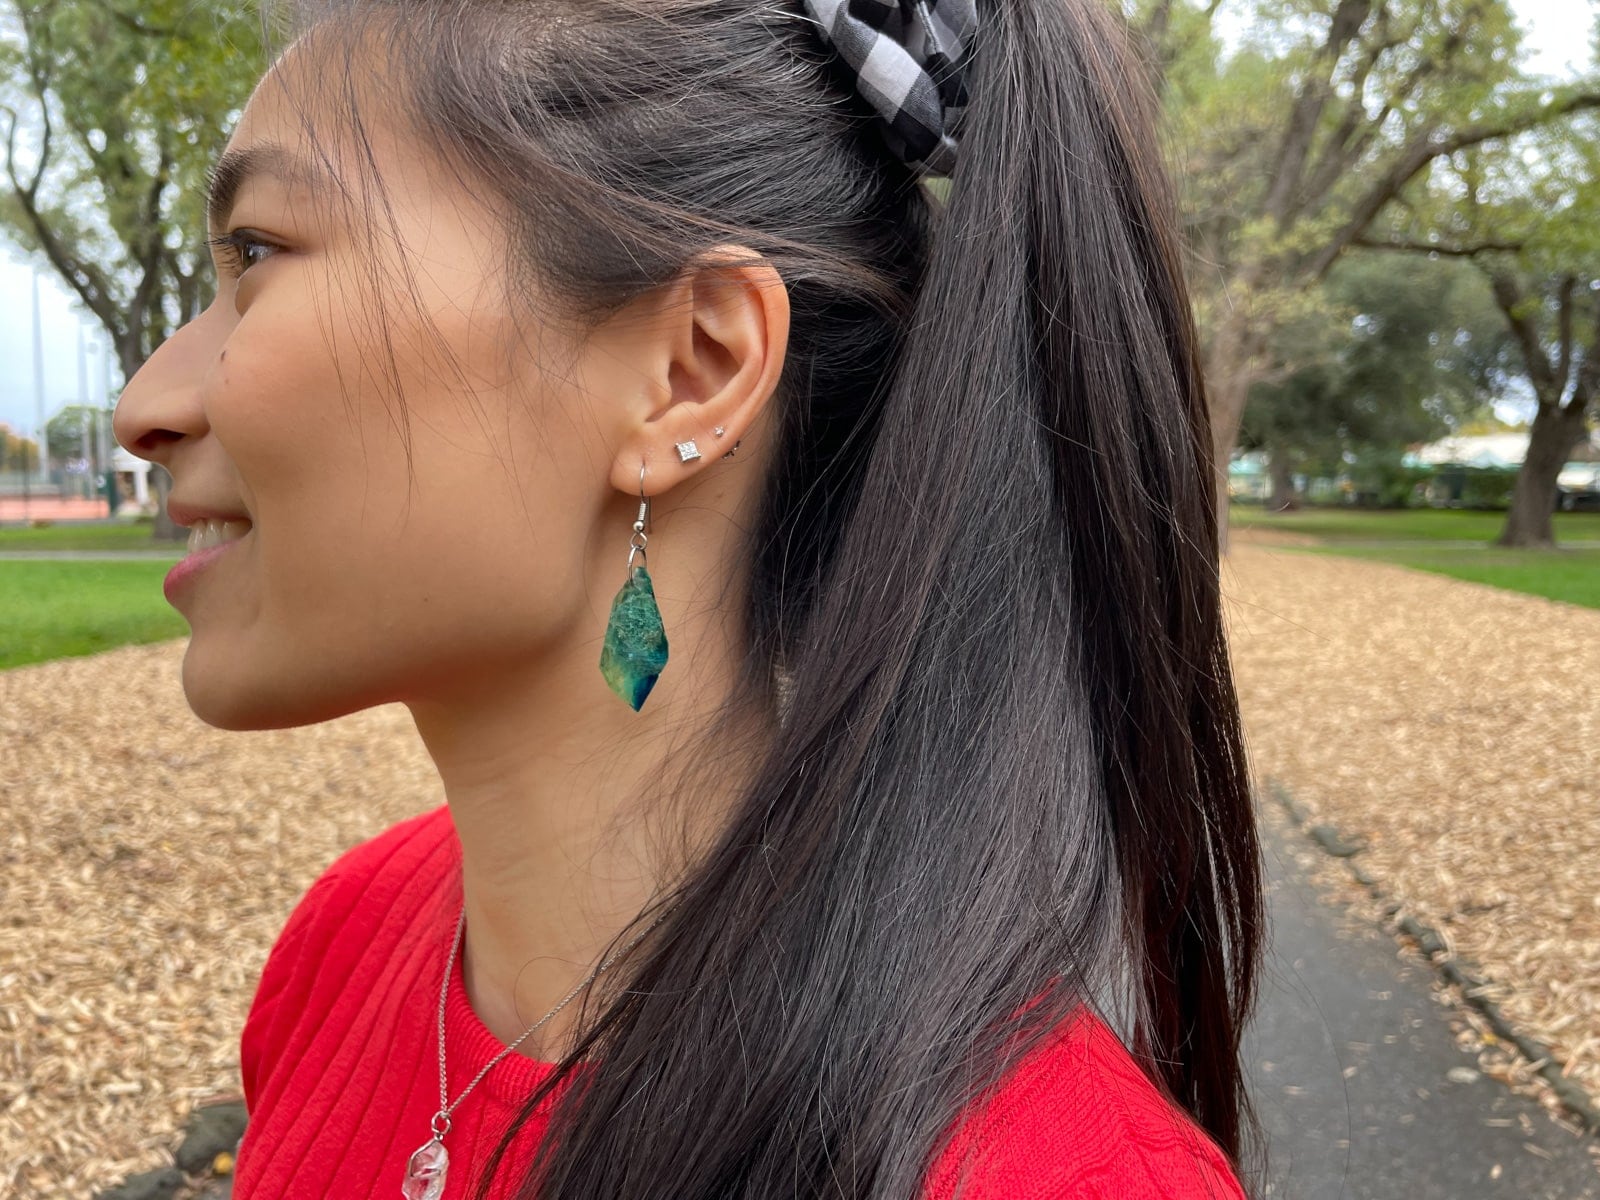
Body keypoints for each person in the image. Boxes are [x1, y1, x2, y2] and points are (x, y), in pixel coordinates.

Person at [112, 0, 1266, 1196]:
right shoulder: (346, 939)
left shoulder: (1044, 1176)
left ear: (690, 370)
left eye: (255, 253)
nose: (146, 403)